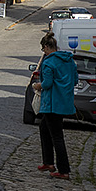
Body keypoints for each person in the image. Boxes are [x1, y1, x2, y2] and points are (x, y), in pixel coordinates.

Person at [33, 32, 77, 180]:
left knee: (57, 137)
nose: (43, 52)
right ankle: (48, 162)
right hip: (64, 102)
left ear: (46, 47)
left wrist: (37, 85)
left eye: (43, 49)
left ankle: (64, 170)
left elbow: (47, 84)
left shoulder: (48, 62)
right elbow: (75, 80)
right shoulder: (69, 61)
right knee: (44, 128)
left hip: (52, 104)